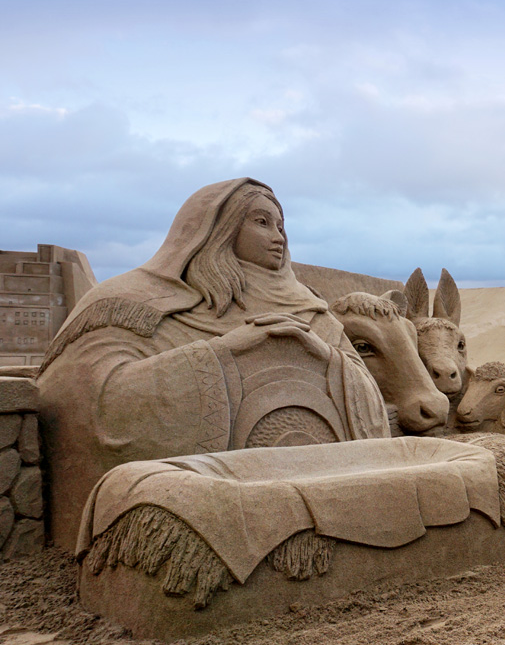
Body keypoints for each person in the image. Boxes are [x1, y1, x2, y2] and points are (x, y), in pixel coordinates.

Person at [37, 178, 394, 550]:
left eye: (281, 226)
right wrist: (225, 352)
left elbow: (370, 407)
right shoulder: (132, 302)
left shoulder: (312, 312)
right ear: (220, 228)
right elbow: (95, 402)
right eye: (261, 222)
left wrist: (321, 356)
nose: (279, 237)